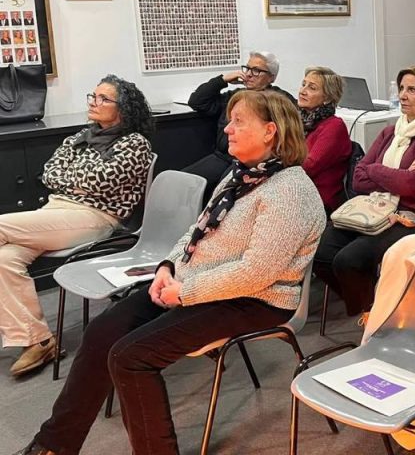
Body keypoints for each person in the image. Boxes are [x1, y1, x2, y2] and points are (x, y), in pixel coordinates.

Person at [15, 90, 325, 455]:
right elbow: (197, 231)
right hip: (200, 282)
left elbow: (257, 272)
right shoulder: (241, 175)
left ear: (270, 131)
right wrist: (168, 266)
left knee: (131, 357)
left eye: (239, 121)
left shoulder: (289, 190)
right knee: (102, 332)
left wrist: (186, 291)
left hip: (257, 300)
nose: (227, 129)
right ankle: (53, 445)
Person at [1, 76, 154, 378]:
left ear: (123, 107)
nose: (94, 103)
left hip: (95, 217)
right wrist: (78, 180)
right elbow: (49, 173)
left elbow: (102, 181)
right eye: (93, 96)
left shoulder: (135, 144)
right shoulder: (82, 136)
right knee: (4, 259)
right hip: (55, 212)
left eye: (103, 99)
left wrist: (73, 179)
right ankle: (39, 341)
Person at [313, 64, 415, 317]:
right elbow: (358, 179)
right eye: (402, 88)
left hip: (408, 216)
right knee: (321, 254)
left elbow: (413, 185)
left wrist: (375, 169)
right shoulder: (390, 133)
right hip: (374, 208)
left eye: (412, 90)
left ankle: (376, 312)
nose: (403, 95)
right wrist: (395, 175)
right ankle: (372, 308)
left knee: (349, 260)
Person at [184, 51, 296, 199]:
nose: (248, 74)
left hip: (249, 161)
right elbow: (197, 101)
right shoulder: (236, 96)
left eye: (256, 70)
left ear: (272, 77)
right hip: (221, 157)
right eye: (247, 68)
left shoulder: (278, 101)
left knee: (218, 191)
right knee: (181, 182)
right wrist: (222, 80)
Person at [297, 66, 352, 213]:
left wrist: (276, 165)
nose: (303, 91)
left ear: (327, 98)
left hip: (317, 202)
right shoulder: (298, 121)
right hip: (296, 192)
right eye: (303, 84)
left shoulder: (334, 126)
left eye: (312, 88)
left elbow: (308, 166)